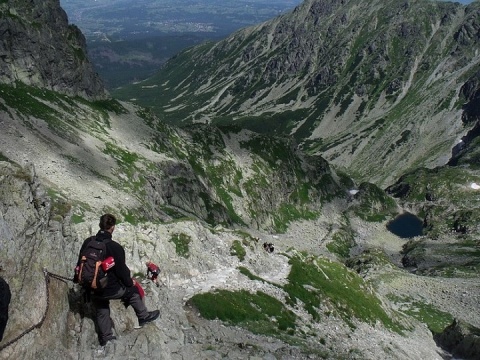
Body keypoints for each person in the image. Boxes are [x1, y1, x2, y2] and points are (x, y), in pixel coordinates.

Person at [76, 214, 160, 346]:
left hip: (91, 287)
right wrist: (129, 282)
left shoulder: (88, 242)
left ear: (100, 225)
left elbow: (80, 263)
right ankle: (143, 316)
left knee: (101, 307)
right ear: (113, 228)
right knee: (132, 291)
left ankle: (106, 338)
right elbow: (121, 271)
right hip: (110, 288)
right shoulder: (115, 247)